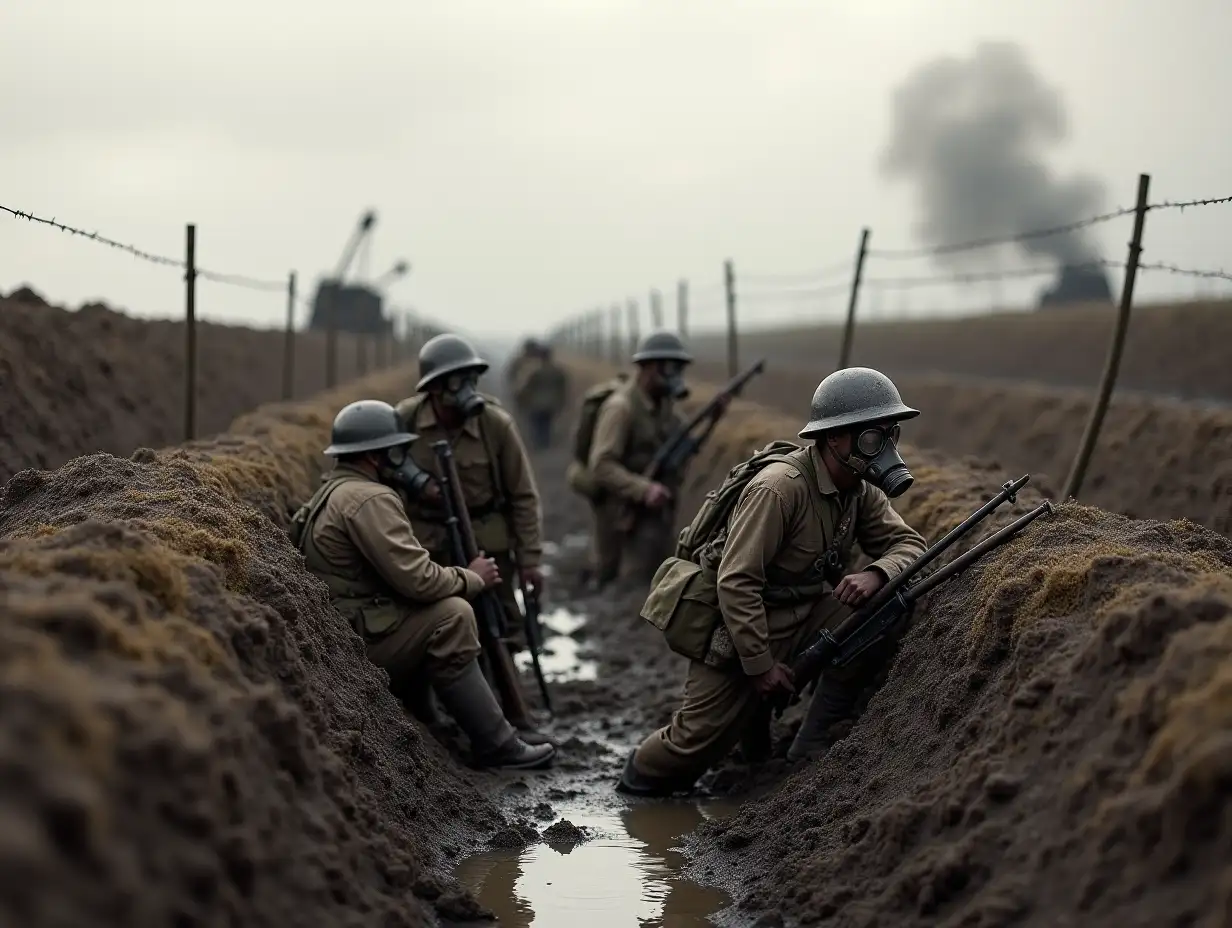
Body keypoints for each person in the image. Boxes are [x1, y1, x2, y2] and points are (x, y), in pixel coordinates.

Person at [618, 367, 929, 795]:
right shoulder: (779, 489)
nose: (883, 449)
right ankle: (636, 778)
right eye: (870, 437)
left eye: (889, 434)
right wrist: (761, 666)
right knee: (691, 747)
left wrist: (876, 573)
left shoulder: (860, 489)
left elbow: (910, 545)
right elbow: (736, 582)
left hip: (801, 614)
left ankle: (811, 738)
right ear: (833, 437)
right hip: (737, 624)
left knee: (885, 606)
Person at [294, 399, 555, 770]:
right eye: (397, 452)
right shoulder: (371, 498)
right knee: (453, 615)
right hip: (357, 637)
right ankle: (497, 745)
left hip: (343, 630)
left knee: (428, 611)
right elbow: (419, 581)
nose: (404, 462)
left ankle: (428, 717)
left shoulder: (332, 491)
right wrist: (472, 577)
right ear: (376, 456)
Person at [393, 333, 551, 741]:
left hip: (487, 542)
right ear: (432, 389)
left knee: (497, 625)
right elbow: (381, 470)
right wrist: (417, 485)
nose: (465, 390)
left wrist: (530, 558)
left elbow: (522, 495)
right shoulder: (405, 422)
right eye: (454, 381)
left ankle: (508, 709)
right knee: (434, 622)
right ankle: (431, 710)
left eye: (470, 378)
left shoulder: (495, 424)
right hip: (427, 542)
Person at [583, 330, 698, 591]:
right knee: (612, 575)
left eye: (678, 367)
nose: (675, 375)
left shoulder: (665, 407)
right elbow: (601, 465)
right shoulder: (620, 408)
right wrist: (643, 489)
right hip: (620, 508)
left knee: (654, 574)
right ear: (647, 367)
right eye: (669, 367)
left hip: (653, 511)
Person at [513, 342, 569, 450]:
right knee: (546, 423)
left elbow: (525, 387)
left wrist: (521, 399)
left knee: (537, 423)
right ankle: (545, 442)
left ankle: (539, 443)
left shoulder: (533, 371)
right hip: (552, 403)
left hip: (536, 403)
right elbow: (563, 388)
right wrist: (562, 401)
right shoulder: (558, 370)